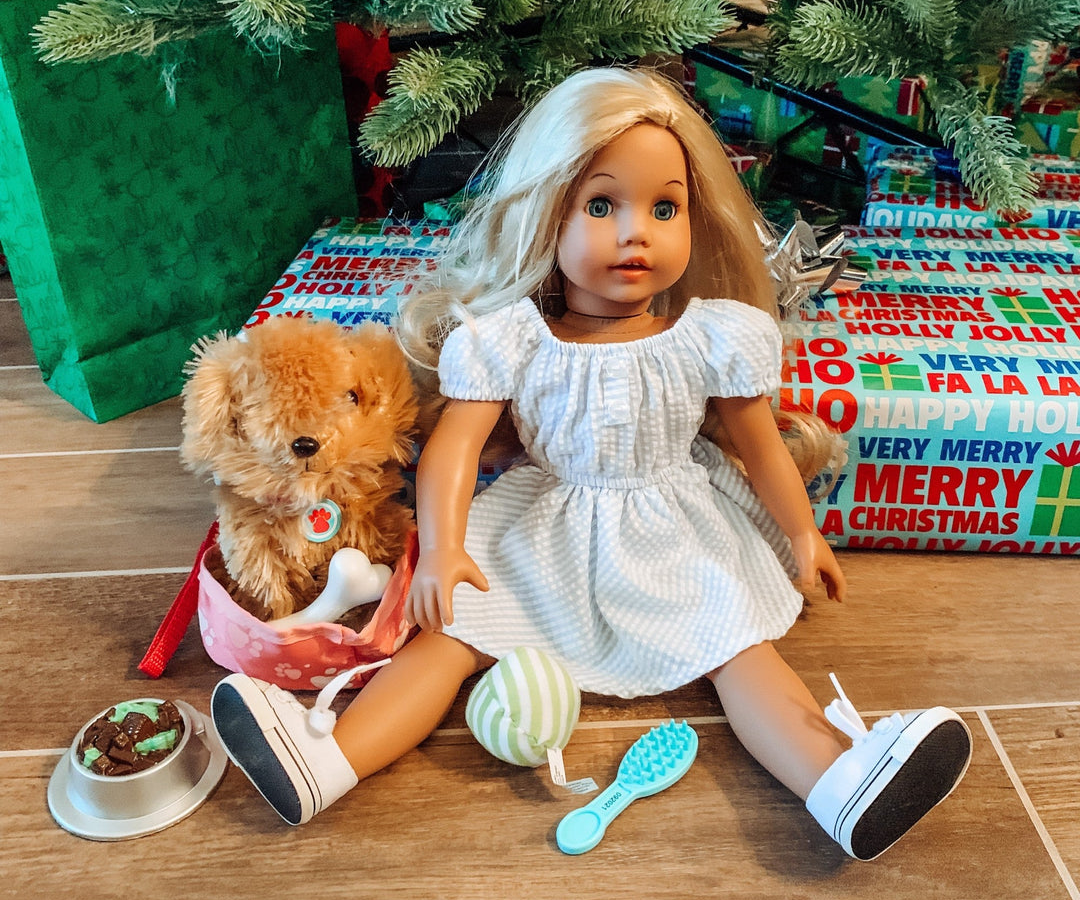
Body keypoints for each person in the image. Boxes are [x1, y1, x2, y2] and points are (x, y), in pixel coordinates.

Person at [211, 66, 971, 859]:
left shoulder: (714, 333)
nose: (634, 231)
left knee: (739, 648)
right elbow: (452, 453)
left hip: (677, 525)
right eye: (601, 205)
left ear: (694, 217)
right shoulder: (510, 340)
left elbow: (759, 445)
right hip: (548, 522)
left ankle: (839, 783)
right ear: (549, 215)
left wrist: (803, 534)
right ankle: (326, 760)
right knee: (449, 637)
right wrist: (441, 549)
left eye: (664, 207)